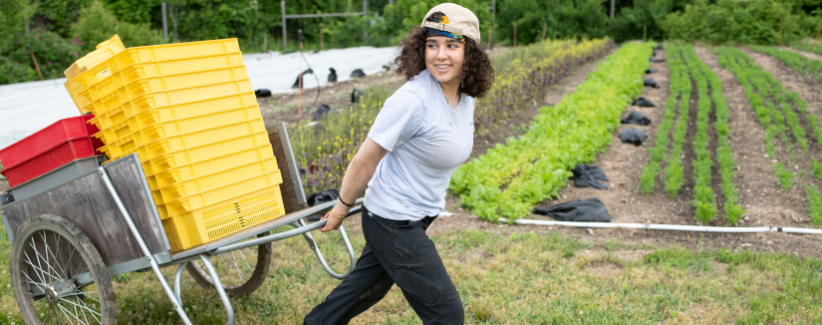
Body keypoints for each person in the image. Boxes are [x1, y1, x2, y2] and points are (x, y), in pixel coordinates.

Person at [304, 3, 493, 324]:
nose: (440, 55)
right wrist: (339, 210)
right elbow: (365, 160)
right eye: (432, 44)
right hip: (393, 220)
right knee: (447, 314)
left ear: (470, 53)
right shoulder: (411, 100)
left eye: (452, 45)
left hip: (418, 214)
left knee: (366, 289)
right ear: (420, 49)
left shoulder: (464, 95)